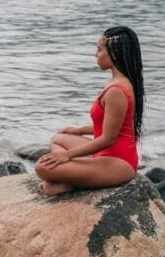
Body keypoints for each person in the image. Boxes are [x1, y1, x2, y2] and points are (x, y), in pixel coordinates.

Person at [35, 26, 144, 196]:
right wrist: (78, 130)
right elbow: (110, 126)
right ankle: (74, 177)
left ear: (114, 54)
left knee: (42, 167)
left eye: (99, 50)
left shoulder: (117, 90)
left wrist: (68, 156)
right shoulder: (119, 83)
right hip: (104, 154)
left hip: (119, 162)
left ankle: (72, 182)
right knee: (59, 138)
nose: (96, 55)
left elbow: (108, 138)